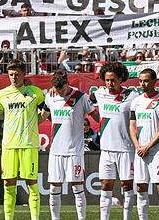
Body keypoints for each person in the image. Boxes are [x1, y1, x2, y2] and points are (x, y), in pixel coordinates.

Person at [0, 59, 45, 220]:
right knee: (8, 184)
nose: (14, 77)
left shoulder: (35, 92)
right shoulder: (2, 95)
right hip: (9, 145)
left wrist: (36, 121)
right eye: (11, 74)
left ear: (24, 75)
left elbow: (46, 109)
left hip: (29, 144)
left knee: (32, 183)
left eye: (17, 74)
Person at [91, 62, 139, 220]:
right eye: (106, 80)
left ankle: (127, 217)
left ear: (120, 79)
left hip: (126, 149)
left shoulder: (132, 96)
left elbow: (147, 101)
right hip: (106, 149)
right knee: (106, 185)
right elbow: (77, 97)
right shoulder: (99, 94)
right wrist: (55, 90)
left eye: (113, 80)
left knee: (127, 185)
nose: (109, 83)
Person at [43, 70, 94, 220]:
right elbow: (43, 116)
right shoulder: (50, 97)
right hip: (56, 151)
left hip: (74, 151)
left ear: (67, 83)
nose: (59, 92)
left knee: (77, 187)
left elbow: (95, 115)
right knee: (54, 188)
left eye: (62, 89)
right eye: (57, 89)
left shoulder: (80, 97)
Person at [129, 68, 159, 220]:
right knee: (141, 187)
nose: (142, 84)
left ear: (155, 81)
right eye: (140, 80)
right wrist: (138, 146)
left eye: (146, 80)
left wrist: (149, 146)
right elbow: (132, 126)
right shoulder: (136, 102)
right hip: (140, 150)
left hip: (157, 151)